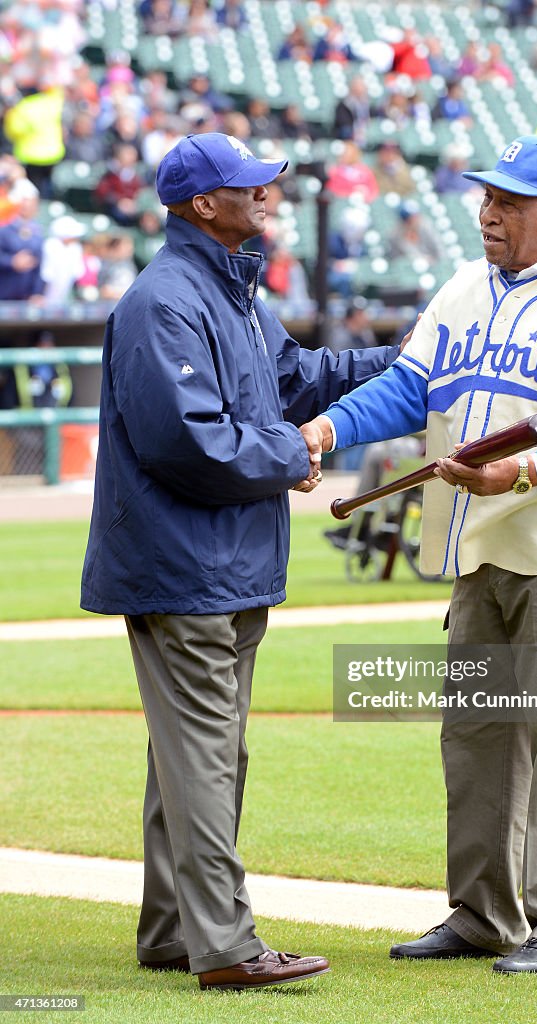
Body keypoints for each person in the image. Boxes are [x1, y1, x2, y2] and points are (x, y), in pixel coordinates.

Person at [300, 135, 537, 974]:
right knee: (476, 738)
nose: (488, 213)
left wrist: (528, 467)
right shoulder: (464, 288)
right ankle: (480, 915)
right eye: (486, 197)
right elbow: (409, 386)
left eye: (508, 201)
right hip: (479, 547)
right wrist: (327, 426)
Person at [80, 132, 400, 991]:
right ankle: (224, 946)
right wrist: (291, 455)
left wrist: (411, 361)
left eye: (266, 183)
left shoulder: (237, 295)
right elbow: (184, 441)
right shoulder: (163, 300)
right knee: (205, 757)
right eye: (247, 185)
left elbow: (300, 377)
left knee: (193, 757)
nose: (267, 193)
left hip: (225, 562)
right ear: (198, 205)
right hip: (183, 566)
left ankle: (173, 929)